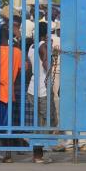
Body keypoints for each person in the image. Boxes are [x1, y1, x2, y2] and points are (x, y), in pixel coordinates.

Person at [0, 18, 23, 163]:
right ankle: (8, 156)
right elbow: (24, 70)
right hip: (9, 93)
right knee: (8, 125)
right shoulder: (16, 52)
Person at [27, 21, 58, 163]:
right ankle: (40, 152)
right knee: (49, 120)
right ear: (46, 34)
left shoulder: (31, 47)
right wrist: (52, 56)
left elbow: (30, 67)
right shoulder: (43, 46)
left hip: (32, 88)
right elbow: (47, 66)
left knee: (37, 122)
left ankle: (38, 152)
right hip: (42, 90)